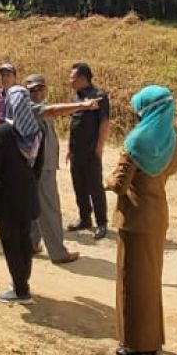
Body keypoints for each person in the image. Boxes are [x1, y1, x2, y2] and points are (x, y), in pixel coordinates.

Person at [106, 85, 177, 355]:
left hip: (134, 220)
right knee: (151, 281)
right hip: (157, 215)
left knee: (131, 282)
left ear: (146, 111)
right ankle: (152, 341)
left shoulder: (135, 143)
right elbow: (170, 170)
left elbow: (118, 184)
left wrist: (105, 179)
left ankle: (135, 345)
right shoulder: (174, 142)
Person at [0, 86, 46, 303]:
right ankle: (21, 281)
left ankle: (21, 290)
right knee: (24, 240)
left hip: (6, 197)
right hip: (27, 194)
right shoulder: (38, 130)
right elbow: (38, 167)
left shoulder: (2, 133)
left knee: (10, 243)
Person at [24, 73, 100, 264]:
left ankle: (31, 244)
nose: (38, 92)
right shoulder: (32, 107)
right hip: (41, 166)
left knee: (35, 206)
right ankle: (58, 252)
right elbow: (55, 110)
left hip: (40, 165)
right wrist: (82, 105)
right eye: (33, 89)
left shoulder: (38, 107)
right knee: (50, 208)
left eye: (41, 88)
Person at [66, 62, 111, 240]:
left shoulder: (99, 97)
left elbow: (104, 122)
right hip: (77, 150)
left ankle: (101, 222)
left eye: (73, 78)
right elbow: (73, 125)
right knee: (79, 186)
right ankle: (85, 218)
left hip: (91, 150)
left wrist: (100, 147)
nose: (70, 81)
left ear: (83, 78)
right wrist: (70, 148)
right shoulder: (75, 97)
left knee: (95, 187)